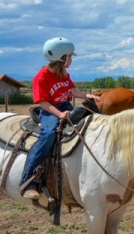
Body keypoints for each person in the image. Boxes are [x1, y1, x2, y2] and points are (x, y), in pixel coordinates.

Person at [20, 37, 101, 200]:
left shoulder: (64, 74)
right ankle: (29, 182)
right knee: (48, 135)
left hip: (65, 107)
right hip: (50, 111)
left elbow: (72, 91)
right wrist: (59, 114)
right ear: (62, 57)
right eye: (70, 56)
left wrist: (87, 95)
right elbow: (43, 102)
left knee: (89, 123)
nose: (72, 59)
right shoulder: (42, 77)